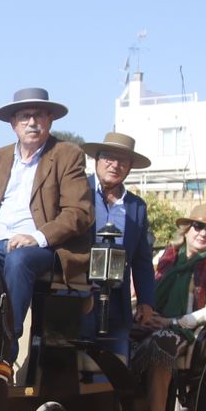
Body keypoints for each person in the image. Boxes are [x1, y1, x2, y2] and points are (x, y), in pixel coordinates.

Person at [0, 87, 93, 359]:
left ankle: (5, 346)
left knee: (20, 259)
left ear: (50, 120)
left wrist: (37, 236)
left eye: (38, 115)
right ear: (13, 124)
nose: (32, 122)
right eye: (25, 116)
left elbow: (79, 212)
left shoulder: (67, 154)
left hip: (46, 248)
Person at [137, 203, 206, 411]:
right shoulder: (166, 255)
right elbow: (140, 288)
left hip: (185, 329)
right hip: (151, 320)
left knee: (158, 350)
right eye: (198, 227)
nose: (203, 234)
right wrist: (142, 313)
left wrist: (170, 322)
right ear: (187, 229)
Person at [80, 131, 157, 358]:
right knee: (77, 366)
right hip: (78, 296)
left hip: (117, 301)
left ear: (130, 167)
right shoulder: (77, 191)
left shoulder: (136, 207)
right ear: (97, 160)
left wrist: (146, 301)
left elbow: (142, 259)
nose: (114, 165)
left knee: (115, 369)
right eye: (108, 158)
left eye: (122, 161)